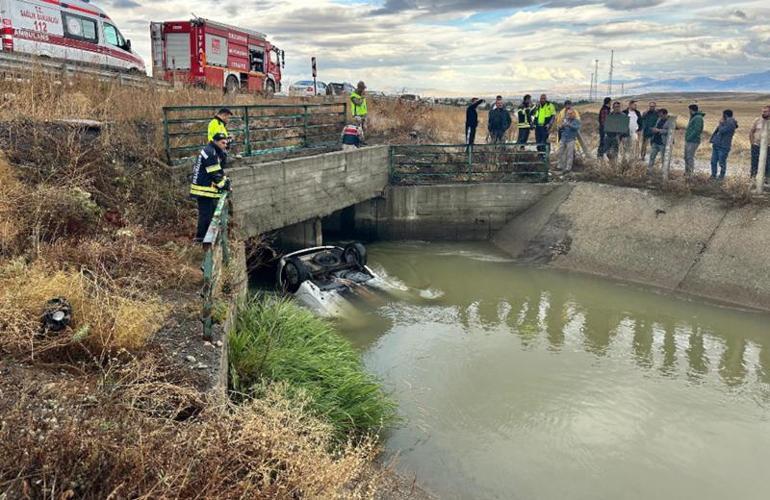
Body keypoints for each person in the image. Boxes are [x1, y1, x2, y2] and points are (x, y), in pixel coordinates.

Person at [190, 133, 230, 242]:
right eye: (223, 143)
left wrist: (223, 154)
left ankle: (207, 238)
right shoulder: (210, 153)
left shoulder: (213, 150)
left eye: (226, 143)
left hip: (205, 187)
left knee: (210, 214)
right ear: (216, 141)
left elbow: (219, 169)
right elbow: (215, 173)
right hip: (203, 189)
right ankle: (201, 239)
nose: (225, 145)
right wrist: (224, 185)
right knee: (205, 215)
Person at [709, 109, 738, 180]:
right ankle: (713, 175)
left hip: (723, 146)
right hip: (717, 144)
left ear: (725, 115)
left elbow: (722, 130)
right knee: (713, 161)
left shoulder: (730, 123)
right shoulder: (726, 122)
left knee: (721, 162)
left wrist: (720, 123)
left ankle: (721, 176)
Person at [683, 104, 705, 177]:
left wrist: (689, 137)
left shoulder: (698, 118)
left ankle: (690, 174)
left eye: (689, 110)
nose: (689, 111)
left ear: (691, 110)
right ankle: (687, 172)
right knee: (686, 157)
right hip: (689, 140)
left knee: (689, 157)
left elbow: (697, 130)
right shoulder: (694, 117)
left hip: (693, 141)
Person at [749, 105, 770, 180]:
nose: (763, 113)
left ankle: (767, 180)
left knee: (767, 164)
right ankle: (753, 179)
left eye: (765, 112)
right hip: (756, 146)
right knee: (754, 163)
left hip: (768, 147)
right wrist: (752, 143)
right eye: (762, 111)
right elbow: (751, 132)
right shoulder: (757, 120)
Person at [648, 108, 670, 173]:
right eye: (659, 115)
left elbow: (669, 131)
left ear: (665, 114)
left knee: (664, 158)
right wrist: (654, 129)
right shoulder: (659, 119)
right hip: (655, 141)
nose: (660, 116)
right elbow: (656, 126)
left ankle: (664, 171)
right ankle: (649, 170)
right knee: (652, 156)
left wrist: (659, 130)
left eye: (661, 115)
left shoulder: (670, 121)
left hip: (663, 142)